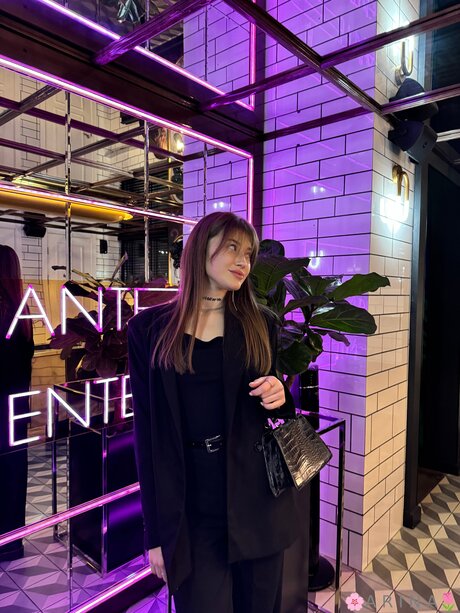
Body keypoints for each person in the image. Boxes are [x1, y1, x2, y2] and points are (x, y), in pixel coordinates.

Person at [127, 212, 300, 613]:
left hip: (257, 503)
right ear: (200, 249)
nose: (244, 261)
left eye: (249, 253)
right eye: (232, 248)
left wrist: (280, 394)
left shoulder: (261, 324)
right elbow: (148, 437)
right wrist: (156, 535)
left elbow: (278, 414)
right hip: (191, 510)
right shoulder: (149, 331)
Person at [0, 245, 34, 562]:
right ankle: (12, 543)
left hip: (3, 406)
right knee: (14, 472)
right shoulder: (22, 313)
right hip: (17, 406)